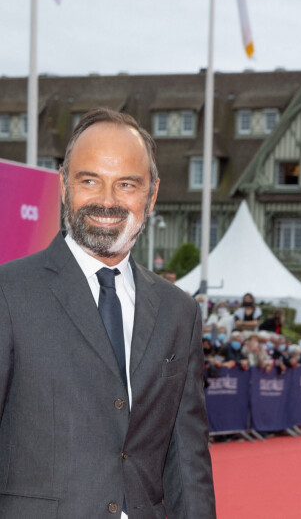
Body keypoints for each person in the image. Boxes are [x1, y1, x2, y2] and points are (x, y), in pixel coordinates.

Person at [0, 108, 216, 518]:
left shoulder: (178, 311)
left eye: (127, 184)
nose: (107, 200)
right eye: (89, 180)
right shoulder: (8, 294)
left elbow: (186, 457)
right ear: (64, 185)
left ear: (151, 195)